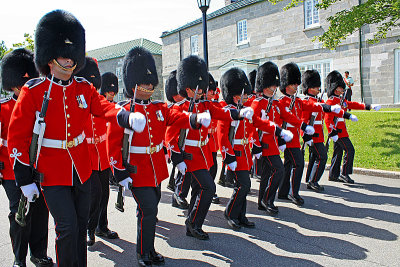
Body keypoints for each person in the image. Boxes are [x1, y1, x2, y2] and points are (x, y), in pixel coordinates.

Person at [7, 10, 141, 267]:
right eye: (64, 61)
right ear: (49, 59)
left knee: (79, 227)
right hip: (51, 171)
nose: (69, 65)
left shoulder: (83, 87)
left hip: (81, 169)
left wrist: (124, 116)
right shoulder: (34, 91)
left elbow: (103, 107)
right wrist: (23, 178)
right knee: (66, 228)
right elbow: (17, 137)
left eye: (72, 61)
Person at [107, 47, 210, 266]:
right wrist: (119, 171)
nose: (149, 86)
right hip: (136, 170)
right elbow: (114, 144)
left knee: (150, 212)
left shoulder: (158, 107)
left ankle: (149, 250)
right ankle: (142, 253)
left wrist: (195, 119)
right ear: (133, 83)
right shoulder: (123, 109)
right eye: (144, 83)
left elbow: (177, 116)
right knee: (148, 209)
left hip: (155, 169)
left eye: (151, 82)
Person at [165, 55, 254, 240]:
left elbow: (222, 114)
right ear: (187, 88)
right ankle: (193, 223)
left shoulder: (206, 104)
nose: (201, 92)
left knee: (199, 189)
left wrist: (239, 114)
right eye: (197, 89)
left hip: (204, 153)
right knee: (209, 188)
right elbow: (170, 137)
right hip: (190, 156)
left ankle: (193, 222)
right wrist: (177, 158)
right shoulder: (179, 109)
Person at [1, 48, 53, 267]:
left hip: (40, 166)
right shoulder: (3, 107)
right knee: (20, 213)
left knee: (41, 212)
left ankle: (38, 253)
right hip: (13, 168)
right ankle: (18, 258)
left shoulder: (43, 103)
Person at [218, 67, 281, 229]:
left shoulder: (245, 111)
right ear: (236, 96)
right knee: (243, 185)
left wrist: (256, 144)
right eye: (244, 94)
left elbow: (254, 128)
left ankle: (241, 215)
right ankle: (230, 212)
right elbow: (222, 137)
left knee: (244, 186)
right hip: (235, 154)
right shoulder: (227, 112)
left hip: (245, 153)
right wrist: (228, 157)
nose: (247, 97)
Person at [277, 62, 338, 206]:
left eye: (297, 84)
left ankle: (283, 192)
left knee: (289, 164)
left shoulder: (297, 101)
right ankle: (293, 193)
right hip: (287, 139)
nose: (296, 86)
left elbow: (312, 105)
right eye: (293, 84)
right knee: (298, 164)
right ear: (286, 85)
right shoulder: (282, 102)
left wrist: (328, 106)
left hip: (294, 139)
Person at [77, 58, 119, 247]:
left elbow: (113, 111)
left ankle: (102, 226)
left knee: (104, 195)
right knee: (94, 195)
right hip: (87, 156)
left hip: (103, 155)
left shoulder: (101, 100)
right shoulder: (78, 101)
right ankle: (89, 228)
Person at [251, 62, 294, 215]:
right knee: (279, 170)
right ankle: (268, 200)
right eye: (271, 86)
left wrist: (301, 126)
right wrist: (256, 145)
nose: (274, 88)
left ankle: (262, 201)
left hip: (274, 143)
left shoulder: (274, 103)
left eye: (275, 85)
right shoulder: (257, 104)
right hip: (265, 144)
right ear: (264, 86)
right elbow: (252, 126)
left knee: (267, 173)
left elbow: (284, 118)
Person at [325, 70, 381, 184]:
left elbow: (353, 104)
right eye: (340, 87)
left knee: (338, 152)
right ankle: (344, 174)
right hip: (338, 132)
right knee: (350, 150)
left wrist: (369, 106)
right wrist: (332, 133)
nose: (342, 89)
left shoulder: (341, 100)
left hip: (341, 131)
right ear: (335, 88)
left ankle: (333, 174)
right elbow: (327, 119)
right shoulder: (330, 102)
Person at [301, 70, 343, 192]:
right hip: (312, 135)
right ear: (309, 88)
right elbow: (304, 121)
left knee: (314, 157)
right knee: (322, 157)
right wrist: (306, 136)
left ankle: (310, 180)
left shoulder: (318, 101)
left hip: (319, 135)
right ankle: (314, 181)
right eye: (315, 86)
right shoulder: (307, 102)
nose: (318, 88)